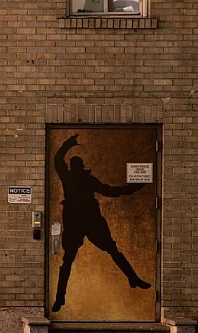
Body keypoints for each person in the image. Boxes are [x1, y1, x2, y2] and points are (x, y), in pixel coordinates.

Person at [51, 134, 150, 313]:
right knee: (112, 250)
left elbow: (58, 159)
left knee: (68, 261)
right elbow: (111, 191)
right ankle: (133, 278)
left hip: (78, 222)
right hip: (90, 220)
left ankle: (59, 298)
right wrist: (137, 186)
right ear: (82, 167)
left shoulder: (67, 177)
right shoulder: (87, 179)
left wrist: (68, 144)